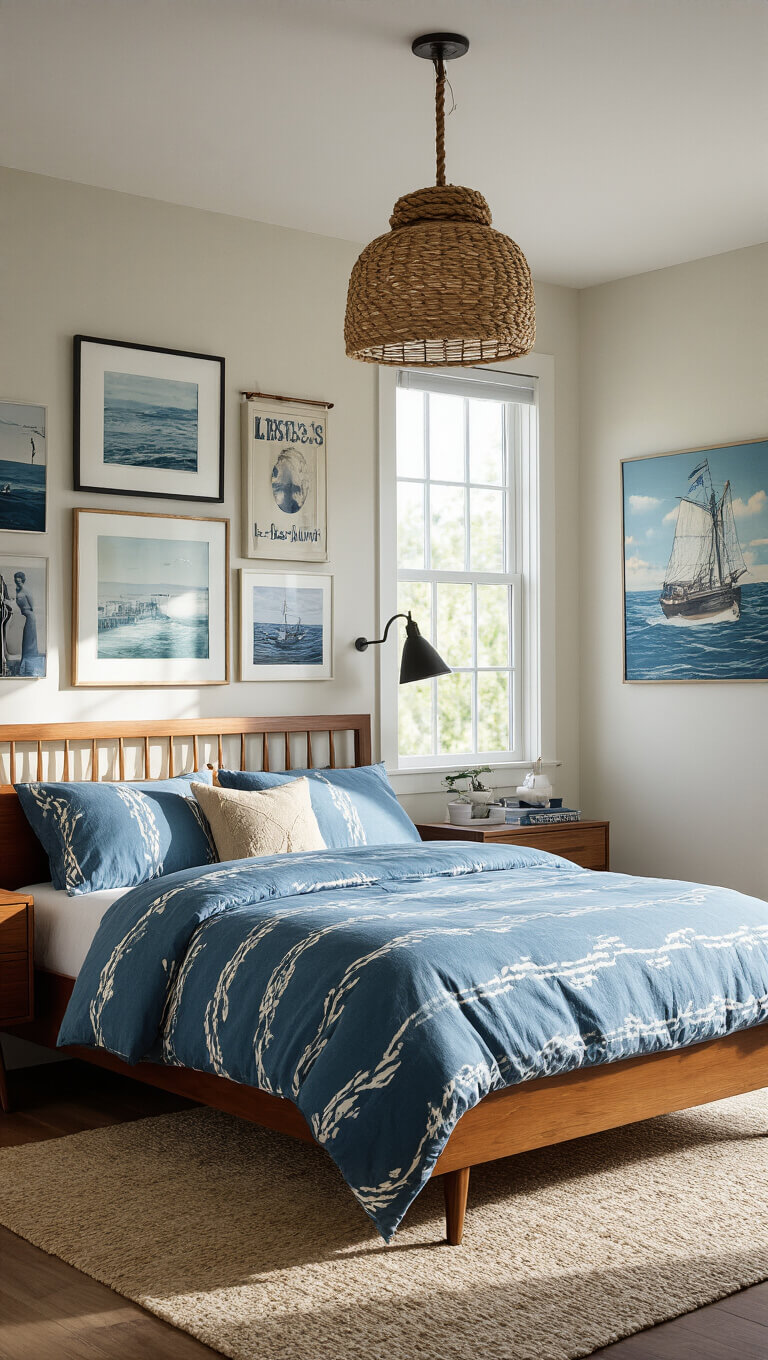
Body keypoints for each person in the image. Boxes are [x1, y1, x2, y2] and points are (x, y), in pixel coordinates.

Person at [14, 570, 38, 663]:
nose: (17, 582)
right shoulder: (17, 590)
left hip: (29, 616)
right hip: (22, 616)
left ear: (23, 580)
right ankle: (24, 658)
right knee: (24, 638)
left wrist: (28, 613)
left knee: (29, 638)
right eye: (16, 581)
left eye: (19, 581)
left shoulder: (26, 590)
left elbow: (32, 605)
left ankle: (30, 658)